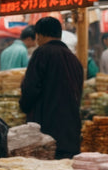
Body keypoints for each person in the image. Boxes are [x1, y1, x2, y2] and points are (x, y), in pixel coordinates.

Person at [19, 17, 84, 159]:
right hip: (70, 131)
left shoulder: (41, 53)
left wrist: (23, 106)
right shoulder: (74, 59)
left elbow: (30, 89)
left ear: (39, 35)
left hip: (46, 131)